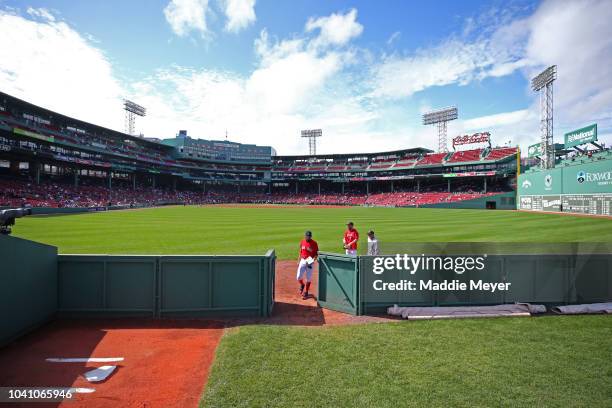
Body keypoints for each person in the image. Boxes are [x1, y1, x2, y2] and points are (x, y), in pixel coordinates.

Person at [297, 230, 318, 300]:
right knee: (298, 277)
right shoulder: (302, 242)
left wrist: (311, 261)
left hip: (310, 262)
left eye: (309, 236)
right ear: (305, 236)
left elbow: (316, 254)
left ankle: (306, 292)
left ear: (311, 236)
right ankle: (302, 284)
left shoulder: (314, 243)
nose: (307, 237)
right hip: (303, 260)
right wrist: (298, 259)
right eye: (306, 236)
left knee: (309, 278)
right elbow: (300, 251)